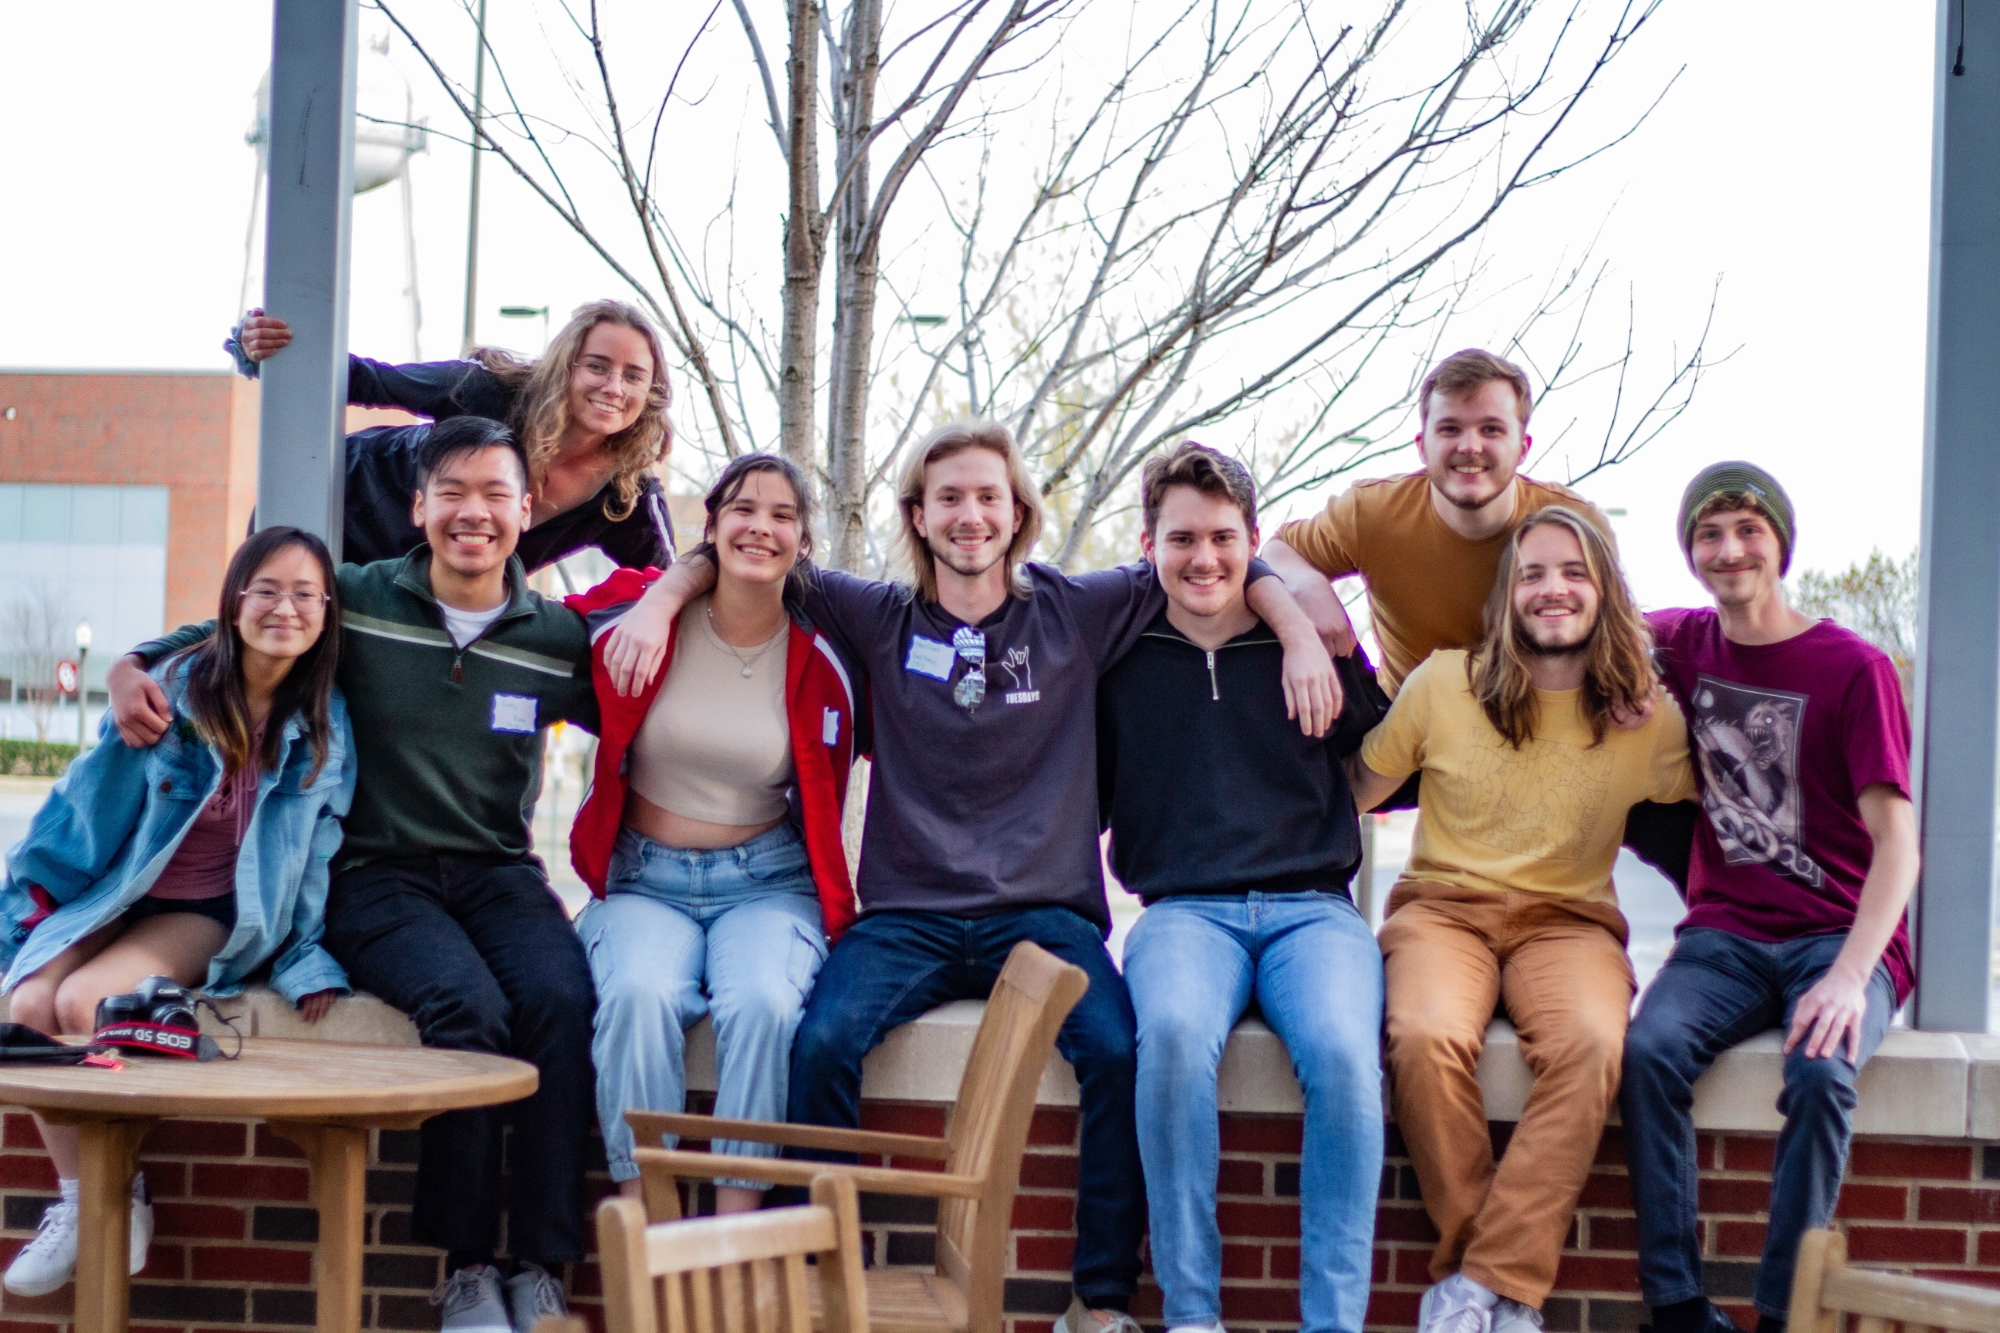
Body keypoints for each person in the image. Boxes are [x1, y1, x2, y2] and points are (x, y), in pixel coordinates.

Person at [603, 419, 1340, 1333]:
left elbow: (1216, 553)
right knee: (823, 1040)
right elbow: (754, 552)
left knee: (1117, 1051)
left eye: (989, 495)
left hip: (1043, 916)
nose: (970, 514)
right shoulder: (878, 617)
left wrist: (1299, 634)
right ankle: (836, 1280)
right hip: (906, 915)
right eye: (949, 496)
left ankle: (1098, 1298)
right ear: (918, 514)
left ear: (1018, 511)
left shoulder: (1074, 610)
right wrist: (664, 591)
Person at [109, 418, 598, 1333]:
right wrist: (132, 661)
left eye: (495, 494)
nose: (473, 513)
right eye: (451, 491)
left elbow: (650, 690)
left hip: (497, 868)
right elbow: (246, 621)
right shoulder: (359, 599)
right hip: (375, 875)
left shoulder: (556, 637)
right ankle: (464, 1267)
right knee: (469, 1009)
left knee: (563, 998)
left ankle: (539, 1262)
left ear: (526, 512)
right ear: (417, 506)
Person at [1346, 506, 1695, 1333]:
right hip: (1443, 911)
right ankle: (1488, 1285)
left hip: (1568, 921)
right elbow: (1350, 788)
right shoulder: (1443, 683)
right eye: (1534, 572)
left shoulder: (1647, 718)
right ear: (1507, 592)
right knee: (1425, 1036)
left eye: (1574, 572)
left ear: (1606, 591)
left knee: (1591, 1045)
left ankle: (1479, 1286)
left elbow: (1735, 807)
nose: (1553, 590)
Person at [0, 526, 354, 1297]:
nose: (284, 608)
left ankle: (111, 1190)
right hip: (117, 891)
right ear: (232, 604)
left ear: (327, 613)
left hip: (209, 908)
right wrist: (27, 908)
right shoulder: (171, 689)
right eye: (266, 589)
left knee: (84, 1000)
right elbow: (81, 811)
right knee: (25, 1000)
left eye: (304, 594)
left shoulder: (323, 729)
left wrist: (302, 957)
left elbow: (310, 865)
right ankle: (92, 1198)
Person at [1621, 464, 1919, 1333]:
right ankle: (1676, 1305)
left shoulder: (1853, 669)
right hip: (1727, 932)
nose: (1729, 550)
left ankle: (1786, 1313)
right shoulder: (1680, 643)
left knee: (1822, 1074)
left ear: (1780, 542)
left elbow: (1899, 845)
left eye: (1748, 530)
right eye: (1709, 535)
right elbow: (1579, 609)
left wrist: (1849, 975)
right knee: (1647, 1053)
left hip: (1841, 935)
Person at [1099, 444, 1384, 1333]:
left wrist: (1303, 628)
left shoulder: (1313, 644)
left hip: (1313, 912)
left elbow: (1391, 760)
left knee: (1344, 1056)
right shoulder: (1119, 652)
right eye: (1181, 538)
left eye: (1225, 538)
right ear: (1148, 543)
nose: (1205, 559)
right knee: (1174, 1037)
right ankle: (1193, 1314)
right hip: (1182, 911)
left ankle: (1331, 1321)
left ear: (1252, 540)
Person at [1259, 348, 1696, 880]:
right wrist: (1306, 585)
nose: (1470, 447)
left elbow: (1617, 623)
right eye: (1451, 429)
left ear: (1522, 445)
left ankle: (1738, 931)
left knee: (1676, 807)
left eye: (1491, 429)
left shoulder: (1569, 524)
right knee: (1295, 713)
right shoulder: (1374, 512)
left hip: (1547, 731)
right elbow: (1275, 554)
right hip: (1418, 730)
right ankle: (1295, 905)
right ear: (1422, 445)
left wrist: (1634, 678)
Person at [562, 453, 860, 1212]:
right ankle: (651, 1236)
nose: (761, 527)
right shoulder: (637, 608)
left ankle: (732, 1240)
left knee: (762, 1004)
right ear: (714, 525)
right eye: (744, 509)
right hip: (643, 878)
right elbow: (528, 625)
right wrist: (666, 595)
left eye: (783, 515)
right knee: (633, 997)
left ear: (803, 540)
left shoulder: (825, 650)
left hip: (766, 881)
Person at [227, 300, 675, 571]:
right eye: (597, 366)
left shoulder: (626, 498)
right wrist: (259, 345)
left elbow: (668, 581)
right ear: (566, 366)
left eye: (633, 376)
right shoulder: (483, 391)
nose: (613, 387)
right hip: (324, 511)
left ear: (651, 392)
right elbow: (364, 378)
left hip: (415, 595)